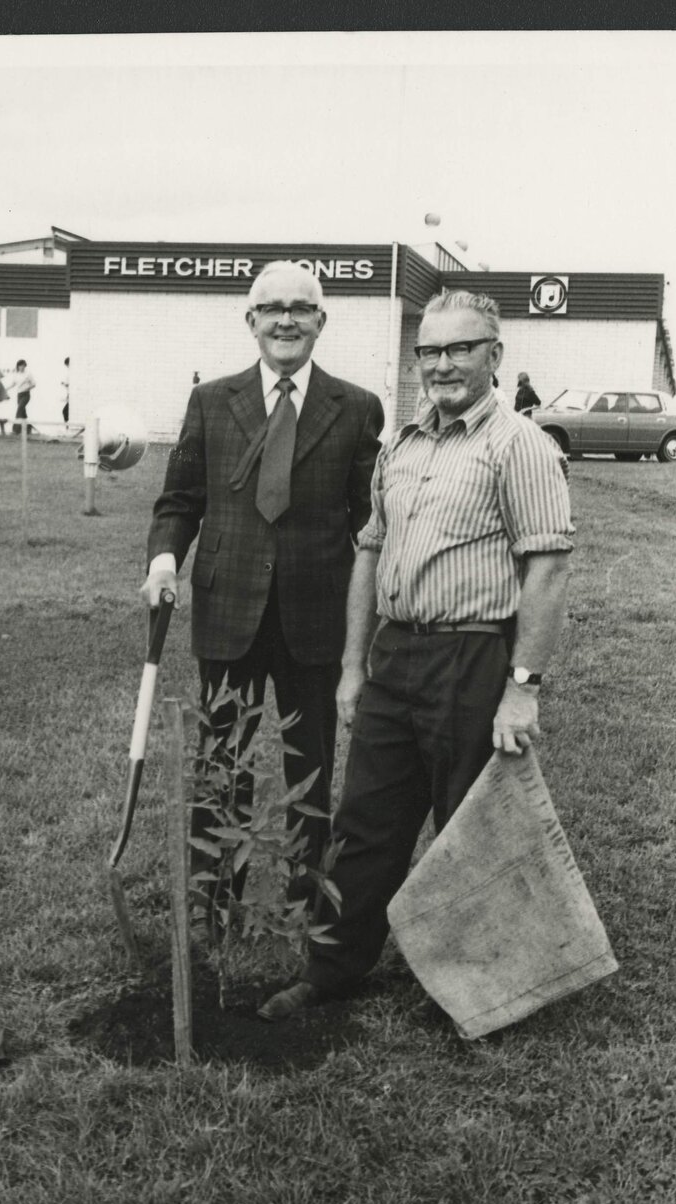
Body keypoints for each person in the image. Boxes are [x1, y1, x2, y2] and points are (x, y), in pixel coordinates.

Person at [256, 289, 574, 1022]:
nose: (442, 364)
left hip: (472, 659)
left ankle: (485, 987)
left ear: (494, 355)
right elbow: (369, 549)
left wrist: (522, 687)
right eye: (429, 351)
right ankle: (332, 969)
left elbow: (548, 568)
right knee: (366, 821)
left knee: (472, 826)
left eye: (460, 348)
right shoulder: (402, 444)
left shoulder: (519, 444)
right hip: (395, 657)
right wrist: (352, 666)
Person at [141, 260, 385, 903]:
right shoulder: (211, 401)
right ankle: (213, 900)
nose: (286, 319)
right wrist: (164, 563)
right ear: (251, 321)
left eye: (301, 308)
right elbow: (178, 500)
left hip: (318, 614)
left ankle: (309, 903)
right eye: (272, 308)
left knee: (312, 763)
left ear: (321, 322)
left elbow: (372, 521)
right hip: (229, 610)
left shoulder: (357, 407)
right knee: (222, 762)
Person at [9, 359, 36, 435]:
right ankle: (28, 428)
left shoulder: (28, 374)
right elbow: (13, 384)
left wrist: (28, 388)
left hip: (26, 394)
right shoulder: (16, 374)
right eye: (20, 365)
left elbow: (34, 384)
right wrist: (6, 389)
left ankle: (15, 430)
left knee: (19, 410)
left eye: (24, 365)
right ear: (18, 366)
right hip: (19, 395)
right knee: (23, 413)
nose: (22, 367)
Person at [61, 358, 70, 423]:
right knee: (65, 412)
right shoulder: (70, 373)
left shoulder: (71, 373)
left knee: (65, 411)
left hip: (72, 395)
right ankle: (67, 426)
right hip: (70, 394)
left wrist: (65, 384)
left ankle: (67, 426)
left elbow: (69, 385)